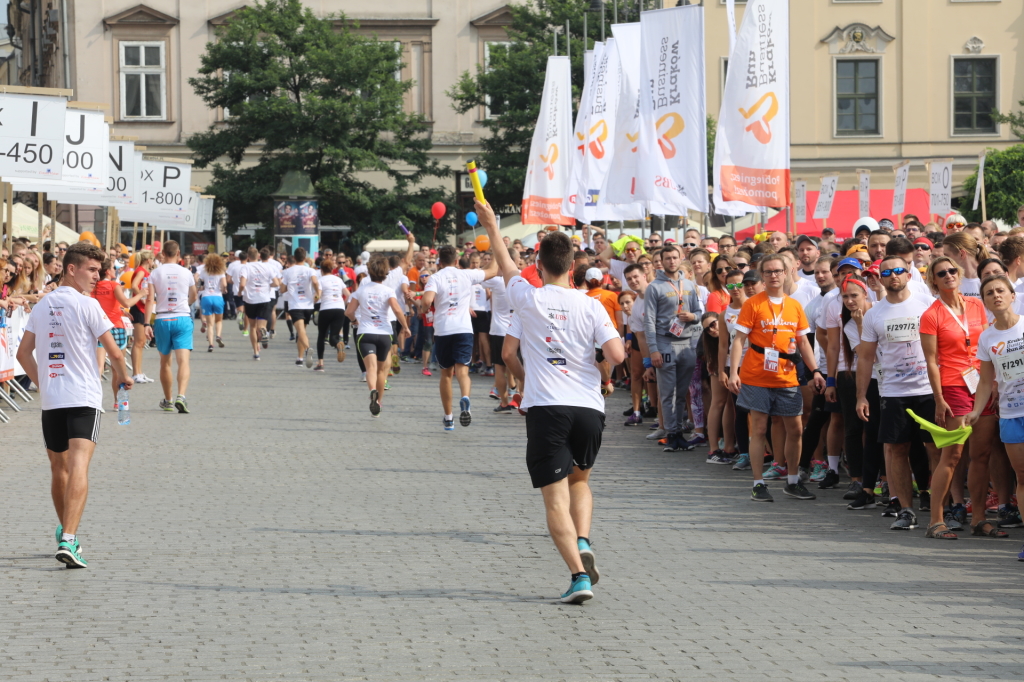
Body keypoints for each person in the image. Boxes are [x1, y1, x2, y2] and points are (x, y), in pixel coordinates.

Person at [479, 200, 624, 604]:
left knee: (554, 494)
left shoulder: (529, 297)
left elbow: (506, 264)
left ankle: (579, 576)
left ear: (539, 265)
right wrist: (600, 371)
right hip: (589, 408)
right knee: (580, 480)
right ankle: (583, 537)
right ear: (574, 264)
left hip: (548, 407)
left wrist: (492, 225)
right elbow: (616, 356)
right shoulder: (593, 304)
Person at [16, 242, 134, 569]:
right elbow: (115, 352)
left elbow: (22, 355)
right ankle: (69, 537)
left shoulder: (41, 306)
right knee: (79, 465)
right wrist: (124, 377)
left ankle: (67, 535)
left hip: (53, 400)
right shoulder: (89, 305)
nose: (97, 277)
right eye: (92, 270)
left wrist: (45, 384)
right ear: (72, 269)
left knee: (59, 468)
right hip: (83, 396)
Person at [727, 255, 825, 502]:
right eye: (768, 272)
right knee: (759, 428)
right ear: (762, 275)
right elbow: (739, 340)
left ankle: (793, 481)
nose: (773, 276)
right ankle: (758, 483)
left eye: (777, 271)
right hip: (756, 376)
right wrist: (732, 372)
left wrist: (815, 371)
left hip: (787, 376)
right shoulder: (753, 304)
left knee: (796, 429)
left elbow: (803, 342)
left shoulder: (794, 306)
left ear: (786, 273)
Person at [856, 256, 939, 531]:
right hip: (893, 392)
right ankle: (905, 510)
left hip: (929, 388)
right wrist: (861, 396)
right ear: (879, 278)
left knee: (935, 449)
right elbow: (866, 359)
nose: (893, 276)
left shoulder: (926, 303)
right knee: (896, 450)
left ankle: (944, 508)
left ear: (908, 274)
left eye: (898, 271)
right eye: (887, 272)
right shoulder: (874, 313)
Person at [920, 256, 989, 539]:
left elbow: (983, 345)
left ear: (959, 275)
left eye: (952, 270)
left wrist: (991, 383)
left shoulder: (976, 305)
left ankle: (979, 519)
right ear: (933, 281)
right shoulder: (931, 314)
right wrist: (938, 398)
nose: (948, 275)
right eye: (941, 273)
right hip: (952, 386)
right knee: (952, 455)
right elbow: (931, 361)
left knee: (981, 454)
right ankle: (936, 520)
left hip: (981, 384)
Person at [969, 275, 1024, 558]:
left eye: (1001, 290)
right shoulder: (987, 337)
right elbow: (985, 381)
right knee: (1022, 477)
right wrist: (977, 411)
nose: (996, 296)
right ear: (986, 301)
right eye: (989, 293)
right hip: (1011, 414)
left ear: (1012, 295)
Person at [420, 244, 499, 431]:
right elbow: (493, 270)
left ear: (439, 261)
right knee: (463, 372)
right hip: (463, 328)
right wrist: (496, 250)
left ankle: (448, 418)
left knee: (446, 375)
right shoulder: (466, 274)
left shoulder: (435, 278)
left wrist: (425, 309)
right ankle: (465, 397)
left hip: (443, 330)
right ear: (456, 260)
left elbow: (426, 301)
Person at [643, 244, 702, 452]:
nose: (671, 261)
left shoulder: (688, 284)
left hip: (686, 344)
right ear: (662, 261)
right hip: (665, 342)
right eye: (667, 258)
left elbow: (698, 312)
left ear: (680, 258)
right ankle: (671, 434)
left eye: (675, 257)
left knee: (682, 391)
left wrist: (692, 317)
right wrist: (653, 350)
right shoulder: (654, 287)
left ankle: (678, 432)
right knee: (668, 392)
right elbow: (648, 321)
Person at [346, 256, 410, 416]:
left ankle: (372, 390)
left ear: (369, 272)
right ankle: (379, 402)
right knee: (382, 371)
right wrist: (406, 327)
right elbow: (396, 310)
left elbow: (348, 312)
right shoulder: (388, 291)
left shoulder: (360, 290)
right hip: (384, 333)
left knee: (371, 369)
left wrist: (355, 321)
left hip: (365, 333)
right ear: (385, 273)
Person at [144, 241, 197, 413]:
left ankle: (168, 400)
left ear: (162, 254)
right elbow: (194, 295)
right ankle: (181, 396)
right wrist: (185, 305)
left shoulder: (155, 273)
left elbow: (150, 299)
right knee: (184, 361)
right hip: (182, 317)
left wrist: (146, 323)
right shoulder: (186, 272)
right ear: (178, 253)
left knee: (165, 362)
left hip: (162, 318)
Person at [92, 258, 143, 401]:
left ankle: (93, 400)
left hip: (100, 327)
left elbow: (99, 306)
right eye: (114, 268)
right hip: (116, 328)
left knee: (98, 366)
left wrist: (119, 310)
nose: (116, 270)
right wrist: (141, 294)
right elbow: (126, 302)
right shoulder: (114, 285)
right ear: (108, 271)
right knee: (117, 368)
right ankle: (117, 401)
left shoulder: (94, 286)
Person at [482, 247, 519, 412]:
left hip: (499, 330)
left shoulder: (497, 280)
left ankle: (504, 402)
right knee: (518, 365)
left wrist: (494, 261)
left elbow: (480, 276)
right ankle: (519, 397)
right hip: (517, 330)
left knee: (499, 367)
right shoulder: (522, 278)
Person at [280, 247, 320, 367]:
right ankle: (300, 358)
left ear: (295, 257)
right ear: (305, 257)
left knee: (300, 331)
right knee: (302, 332)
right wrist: (317, 294)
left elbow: (282, 289)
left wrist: (289, 287)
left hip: (295, 305)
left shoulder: (287, 271)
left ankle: (308, 349)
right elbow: (315, 282)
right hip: (308, 304)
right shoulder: (310, 270)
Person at [239, 247, 280, 360]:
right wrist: (267, 286)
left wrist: (239, 292)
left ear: (248, 257)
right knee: (261, 325)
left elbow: (242, 284)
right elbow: (276, 283)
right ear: (258, 256)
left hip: (251, 300)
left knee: (252, 327)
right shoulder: (267, 267)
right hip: (264, 299)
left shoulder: (245, 267)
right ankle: (264, 332)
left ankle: (256, 352)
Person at [313, 257, 349, 372]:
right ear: (332, 269)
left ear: (321, 270)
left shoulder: (321, 280)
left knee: (322, 335)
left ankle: (320, 363)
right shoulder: (338, 280)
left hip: (326, 309)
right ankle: (338, 343)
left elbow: (318, 295)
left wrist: (313, 301)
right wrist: (342, 304)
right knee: (334, 335)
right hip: (339, 309)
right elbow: (348, 294)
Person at [129, 249, 155, 383]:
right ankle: (135, 373)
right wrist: (141, 297)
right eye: (152, 259)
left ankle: (139, 372)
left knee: (142, 342)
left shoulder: (146, 272)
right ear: (148, 260)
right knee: (138, 342)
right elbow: (133, 285)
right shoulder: (140, 270)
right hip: (138, 308)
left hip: (143, 308)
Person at [198, 253, 227, 352]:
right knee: (218, 321)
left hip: (206, 297)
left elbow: (200, 283)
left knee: (210, 324)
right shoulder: (221, 272)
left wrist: (201, 288)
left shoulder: (204, 271)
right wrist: (224, 290)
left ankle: (210, 344)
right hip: (217, 297)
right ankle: (218, 336)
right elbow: (224, 284)